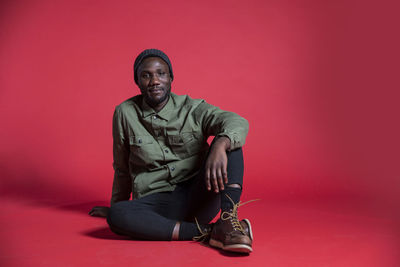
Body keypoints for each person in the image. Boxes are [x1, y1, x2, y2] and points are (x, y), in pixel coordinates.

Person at [89, 49, 253, 253]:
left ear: (171, 78)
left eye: (161, 73)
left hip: (201, 194)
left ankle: (229, 220)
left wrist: (220, 144)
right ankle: (211, 231)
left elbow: (236, 121)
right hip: (160, 204)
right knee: (117, 216)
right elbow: (122, 168)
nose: (154, 81)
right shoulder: (125, 113)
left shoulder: (192, 108)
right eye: (146, 75)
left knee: (230, 142)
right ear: (137, 82)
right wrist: (119, 206)